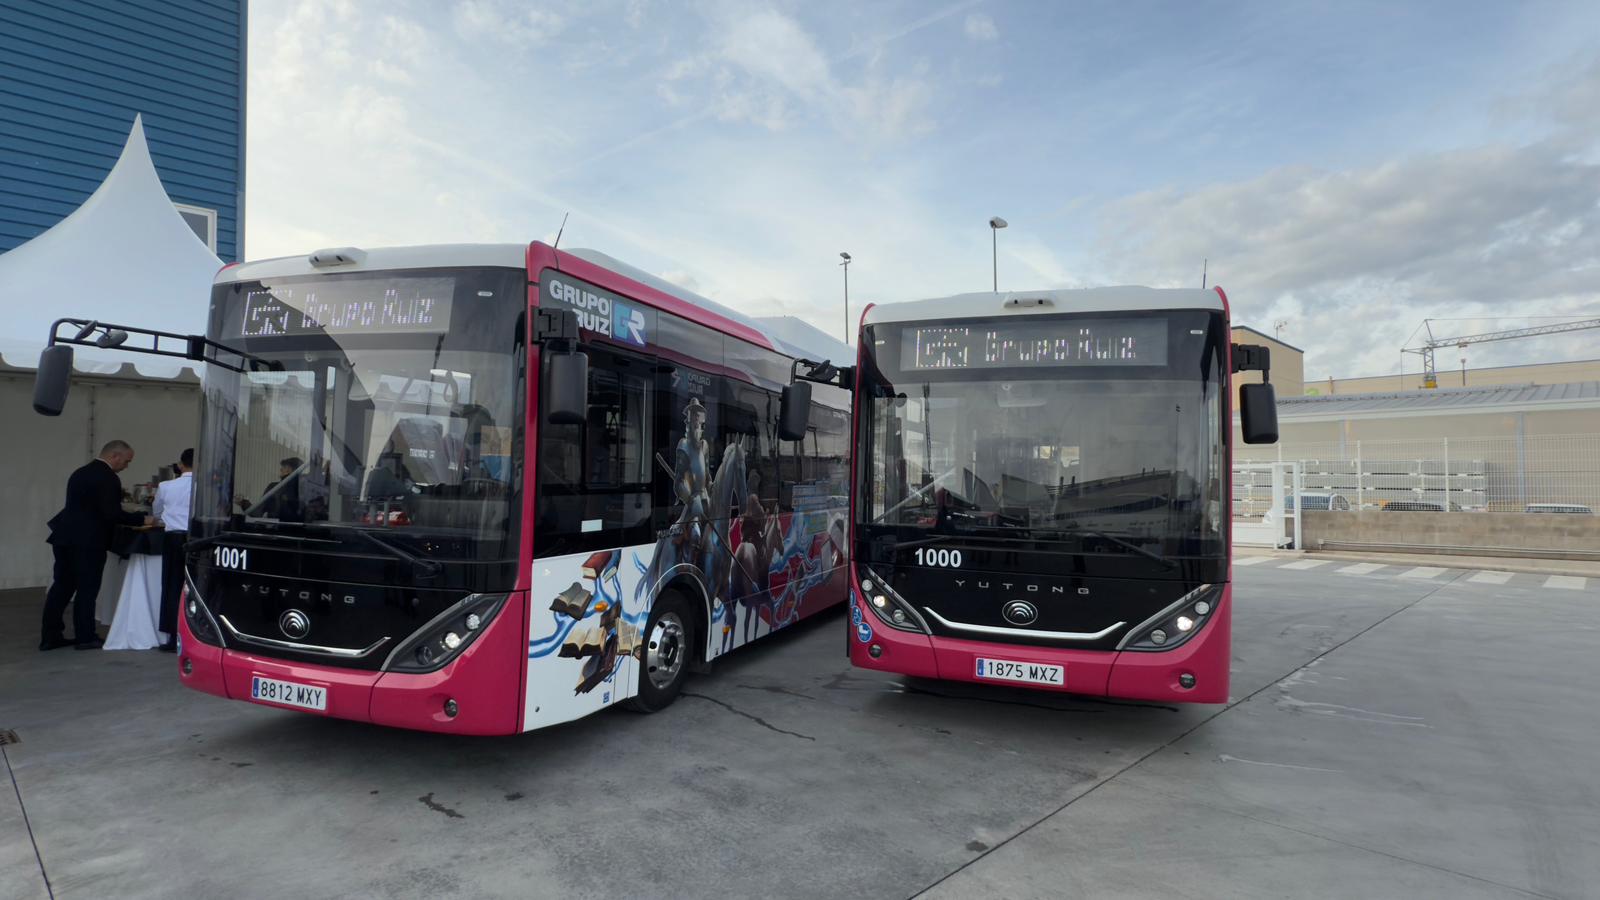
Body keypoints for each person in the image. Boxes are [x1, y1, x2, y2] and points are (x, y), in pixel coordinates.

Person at [41, 440, 154, 651]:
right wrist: (141, 519)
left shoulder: (80, 472)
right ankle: (85, 636)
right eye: (126, 461)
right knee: (87, 589)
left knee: (62, 587)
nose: (126, 466)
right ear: (115, 456)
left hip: (64, 537)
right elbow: (111, 514)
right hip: (89, 541)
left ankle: (50, 635)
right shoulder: (109, 478)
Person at [152, 448, 194, 652]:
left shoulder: (166, 485)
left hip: (173, 538)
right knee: (196, 587)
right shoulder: (206, 486)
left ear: (180, 465)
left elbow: (157, 512)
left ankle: (171, 636)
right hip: (197, 538)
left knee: (171, 586)